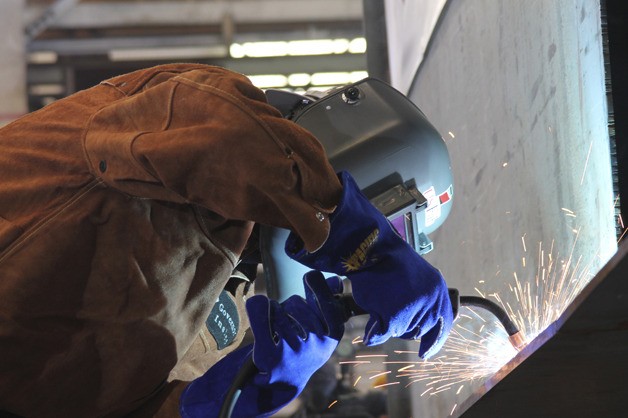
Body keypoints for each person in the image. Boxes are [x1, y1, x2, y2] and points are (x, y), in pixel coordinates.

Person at [0, 63, 453, 417]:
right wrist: (363, 242)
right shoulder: (191, 107)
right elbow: (229, 139)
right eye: (378, 220)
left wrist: (234, 394)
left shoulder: (228, 313)